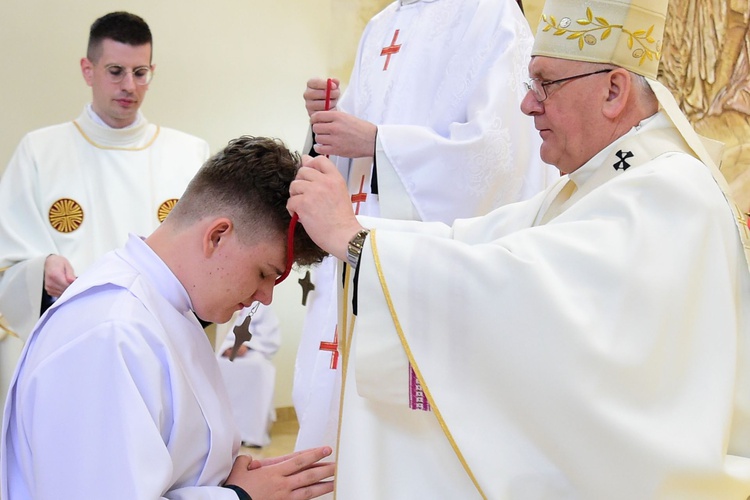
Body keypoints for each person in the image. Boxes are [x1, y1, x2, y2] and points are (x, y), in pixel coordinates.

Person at [286, 0, 750, 496]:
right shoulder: (598, 181)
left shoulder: (669, 192)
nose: (527, 104)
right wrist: (356, 230)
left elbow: (526, 293)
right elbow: (480, 242)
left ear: (613, 90)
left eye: (543, 84)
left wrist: (356, 243)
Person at [1, 136, 334, 499]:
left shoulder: (166, 308)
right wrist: (240, 497)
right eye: (264, 273)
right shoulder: (110, 331)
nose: (266, 297)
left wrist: (230, 479)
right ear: (217, 236)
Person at [293, 0, 557, 455]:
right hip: (351, 263)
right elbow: (349, 150)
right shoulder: (381, 24)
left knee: (397, 444)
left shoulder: (490, 14)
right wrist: (326, 121)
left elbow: (497, 159)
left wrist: (378, 142)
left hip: (419, 274)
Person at [0, 11, 210, 403]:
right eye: (115, 71)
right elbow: (8, 259)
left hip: (157, 349)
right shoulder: (40, 151)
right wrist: (39, 268)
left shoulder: (188, 154)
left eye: (140, 72)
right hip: (66, 349)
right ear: (87, 69)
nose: (129, 85)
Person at [217, 304, 282, 447]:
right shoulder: (235, 304)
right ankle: (222, 431)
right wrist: (228, 347)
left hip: (254, 353)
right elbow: (227, 331)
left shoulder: (263, 307)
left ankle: (252, 434)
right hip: (230, 351)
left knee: (257, 367)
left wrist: (248, 345)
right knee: (218, 364)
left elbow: (269, 336)